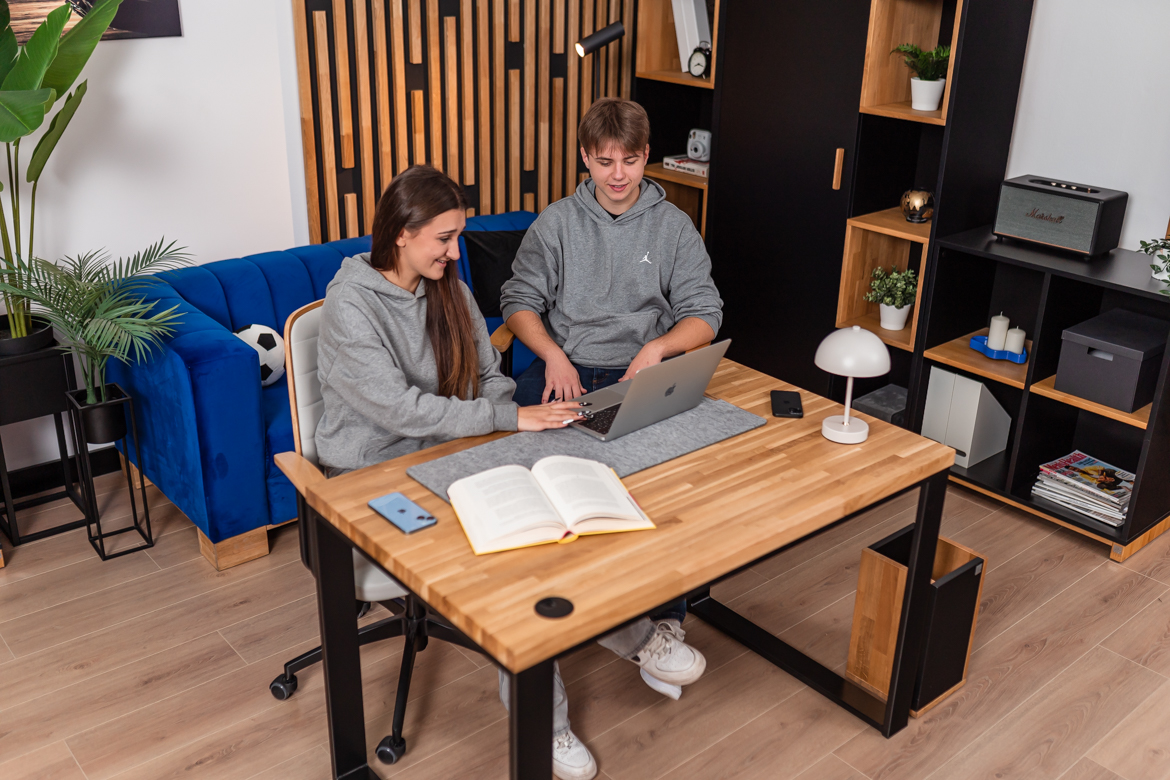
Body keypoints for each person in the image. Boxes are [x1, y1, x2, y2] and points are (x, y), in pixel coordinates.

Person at [314, 165, 597, 780]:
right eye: (443, 237)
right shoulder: (351, 305)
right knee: (502, 554)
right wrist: (504, 417)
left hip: (444, 454)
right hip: (370, 475)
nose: (454, 250)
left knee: (555, 500)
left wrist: (509, 412)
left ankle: (625, 632)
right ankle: (547, 725)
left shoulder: (450, 287)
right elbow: (399, 409)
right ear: (401, 234)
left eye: (458, 236)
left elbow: (488, 372)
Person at [500, 98, 721, 699]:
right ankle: (583, 611)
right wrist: (552, 354)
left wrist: (658, 351)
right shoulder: (557, 223)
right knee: (547, 485)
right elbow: (517, 300)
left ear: (647, 157)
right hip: (569, 371)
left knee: (667, 480)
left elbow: (705, 313)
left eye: (629, 161)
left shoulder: (672, 226)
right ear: (584, 158)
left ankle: (662, 623)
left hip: (644, 372)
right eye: (604, 162)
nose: (618, 175)